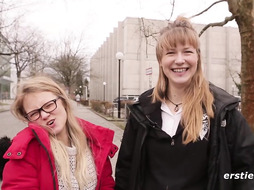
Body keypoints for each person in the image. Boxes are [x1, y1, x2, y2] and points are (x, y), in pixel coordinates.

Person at [115, 16, 254, 190]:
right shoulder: (141, 111)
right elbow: (125, 172)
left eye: (187, 51)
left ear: (197, 57)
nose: (179, 60)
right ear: (160, 60)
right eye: (171, 53)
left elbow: (247, 171)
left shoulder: (223, 111)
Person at [1, 75, 118, 190]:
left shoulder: (94, 141)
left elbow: (106, 184)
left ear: (63, 101)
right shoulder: (26, 154)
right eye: (34, 113)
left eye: (49, 105)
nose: (45, 115)